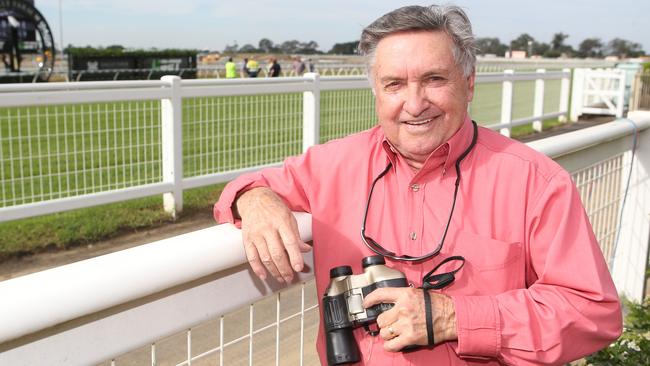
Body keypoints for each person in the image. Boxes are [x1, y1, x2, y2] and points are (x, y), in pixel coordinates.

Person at [214, 4, 622, 365]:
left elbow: (592, 313)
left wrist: (453, 317)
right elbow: (247, 186)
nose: (413, 103)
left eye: (433, 79)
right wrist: (258, 201)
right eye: (394, 84)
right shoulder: (331, 165)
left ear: (470, 83)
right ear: (376, 91)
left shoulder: (536, 182)